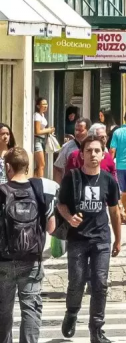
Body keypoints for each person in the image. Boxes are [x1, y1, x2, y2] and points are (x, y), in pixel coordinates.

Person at [58, 135, 122, 343]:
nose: (93, 154)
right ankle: (72, 312)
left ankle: (96, 329)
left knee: (100, 283)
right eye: (89, 151)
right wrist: (69, 217)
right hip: (77, 238)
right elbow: (61, 204)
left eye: (97, 151)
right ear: (82, 154)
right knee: (76, 281)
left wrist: (118, 240)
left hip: (101, 239)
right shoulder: (72, 177)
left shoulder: (108, 180)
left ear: (103, 154)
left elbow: (114, 211)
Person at [0, 147, 56, 343]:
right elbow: (51, 228)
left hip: (3, 261)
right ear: (28, 166)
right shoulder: (40, 190)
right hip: (32, 259)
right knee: (30, 309)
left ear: (8, 167)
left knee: (3, 312)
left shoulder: (1, 192)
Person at [54, 117, 91, 184]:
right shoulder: (66, 147)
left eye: (80, 130)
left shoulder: (95, 146)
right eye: (76, 130)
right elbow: (58, 168)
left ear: (88, 130)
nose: (77, 133)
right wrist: (58, 189)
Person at [33, 97, 54, 178]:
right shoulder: (37, 115)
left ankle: (34, 180)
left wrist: (49, 130)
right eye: (43, 104)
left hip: (42, 140)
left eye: (46, 104)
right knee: (41, 164)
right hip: (37, 140)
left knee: (40, 165)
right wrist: (48, 130)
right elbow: (37, 131)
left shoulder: (42, 115)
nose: (46, 106)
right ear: (38, 106)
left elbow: (42, 129)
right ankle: (40, 184)